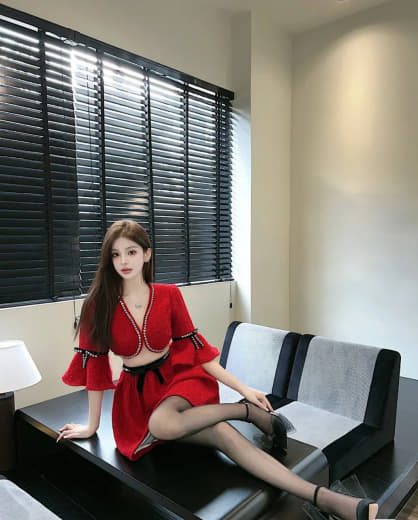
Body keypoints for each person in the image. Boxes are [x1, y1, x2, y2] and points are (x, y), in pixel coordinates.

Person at [59, 220, 379, 520]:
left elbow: (200, 354)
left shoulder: (169, 295)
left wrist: (245, 390)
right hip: (136, 402)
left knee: (173, 424)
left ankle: (322, 494)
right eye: (116, 254)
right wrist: (91, 426)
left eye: (131, 252)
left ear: (147, 254)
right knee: (213, 432)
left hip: (176, 382)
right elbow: (95, 370)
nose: (123, 261)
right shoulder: (98, 305)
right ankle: (252, 422)